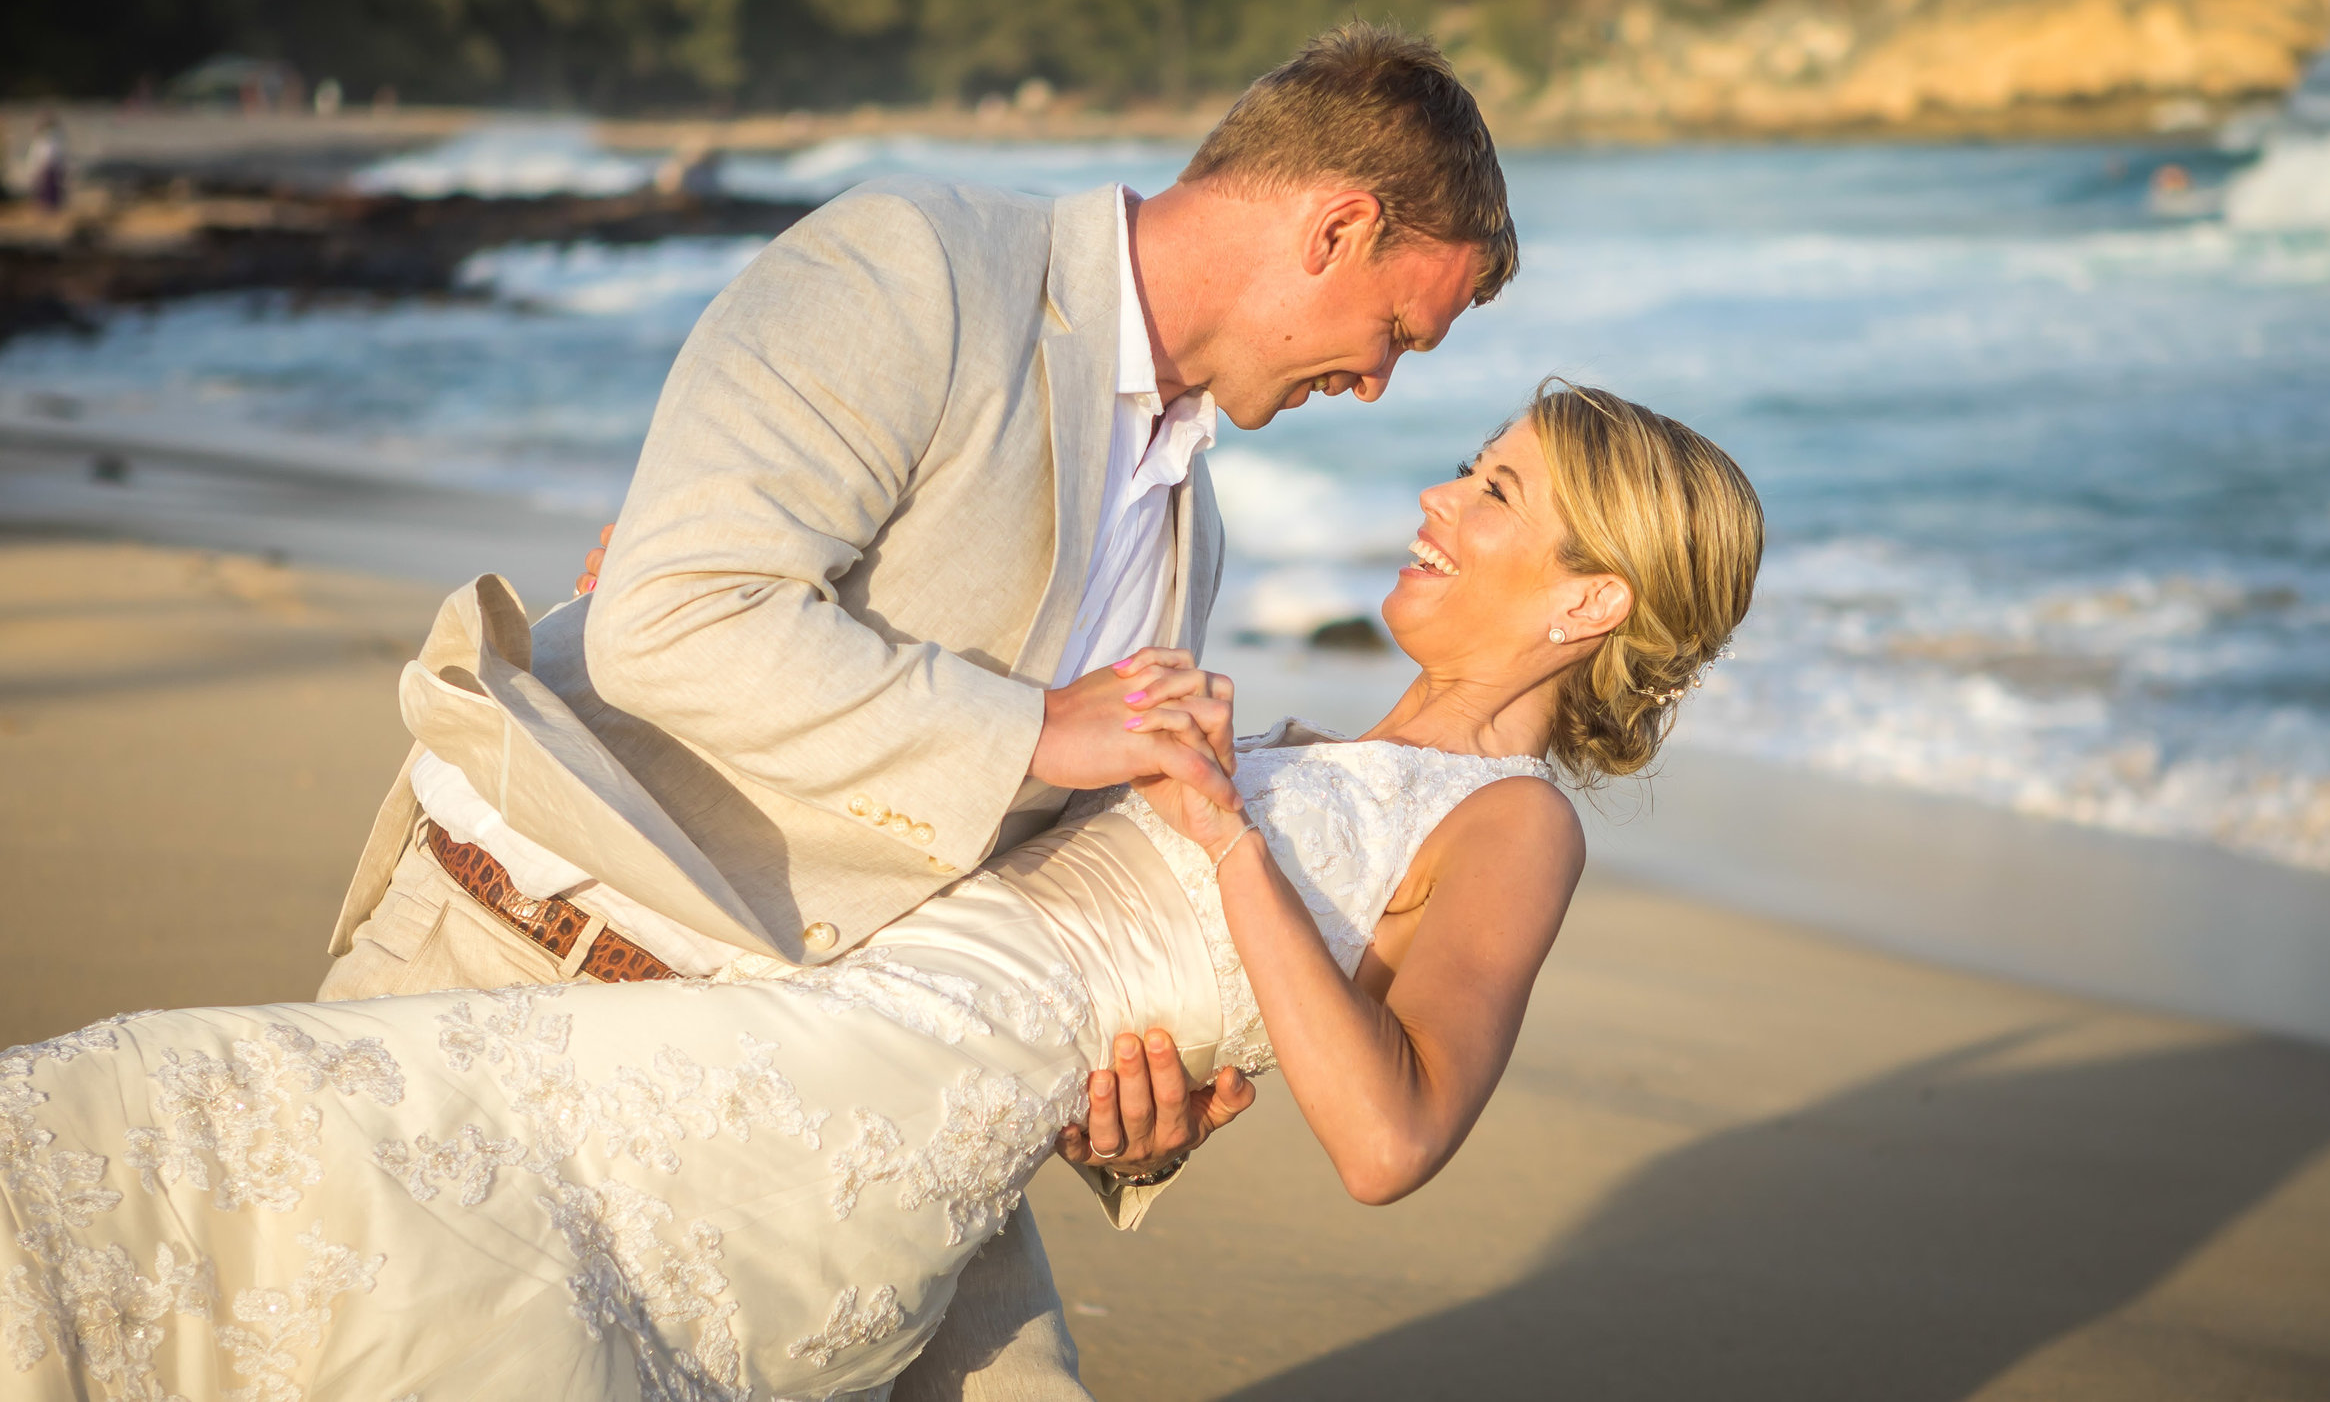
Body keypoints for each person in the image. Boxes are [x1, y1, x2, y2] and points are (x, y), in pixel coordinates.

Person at [0, 383, 1763, 1402]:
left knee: (327, 1151)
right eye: (1472, 465)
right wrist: (684, 603)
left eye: (1500, 490)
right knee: (279, 1142)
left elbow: (1390, 1138)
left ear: (1591, 600)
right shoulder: (1305, 741)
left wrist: (1224, 838)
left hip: (855, 1108)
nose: (1444, 498)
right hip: (812, 1027)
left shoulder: (1514, 823)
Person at [311, 23, 1518, 1400]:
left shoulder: (1198, 534)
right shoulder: (920, 268)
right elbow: (671, 617)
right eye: (1394, 334)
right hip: (527, 974)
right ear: (1338, 227)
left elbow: (1009, 875)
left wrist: (1125, 1115)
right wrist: (1040, 731)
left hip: (838, 1083)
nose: (1376, 385)